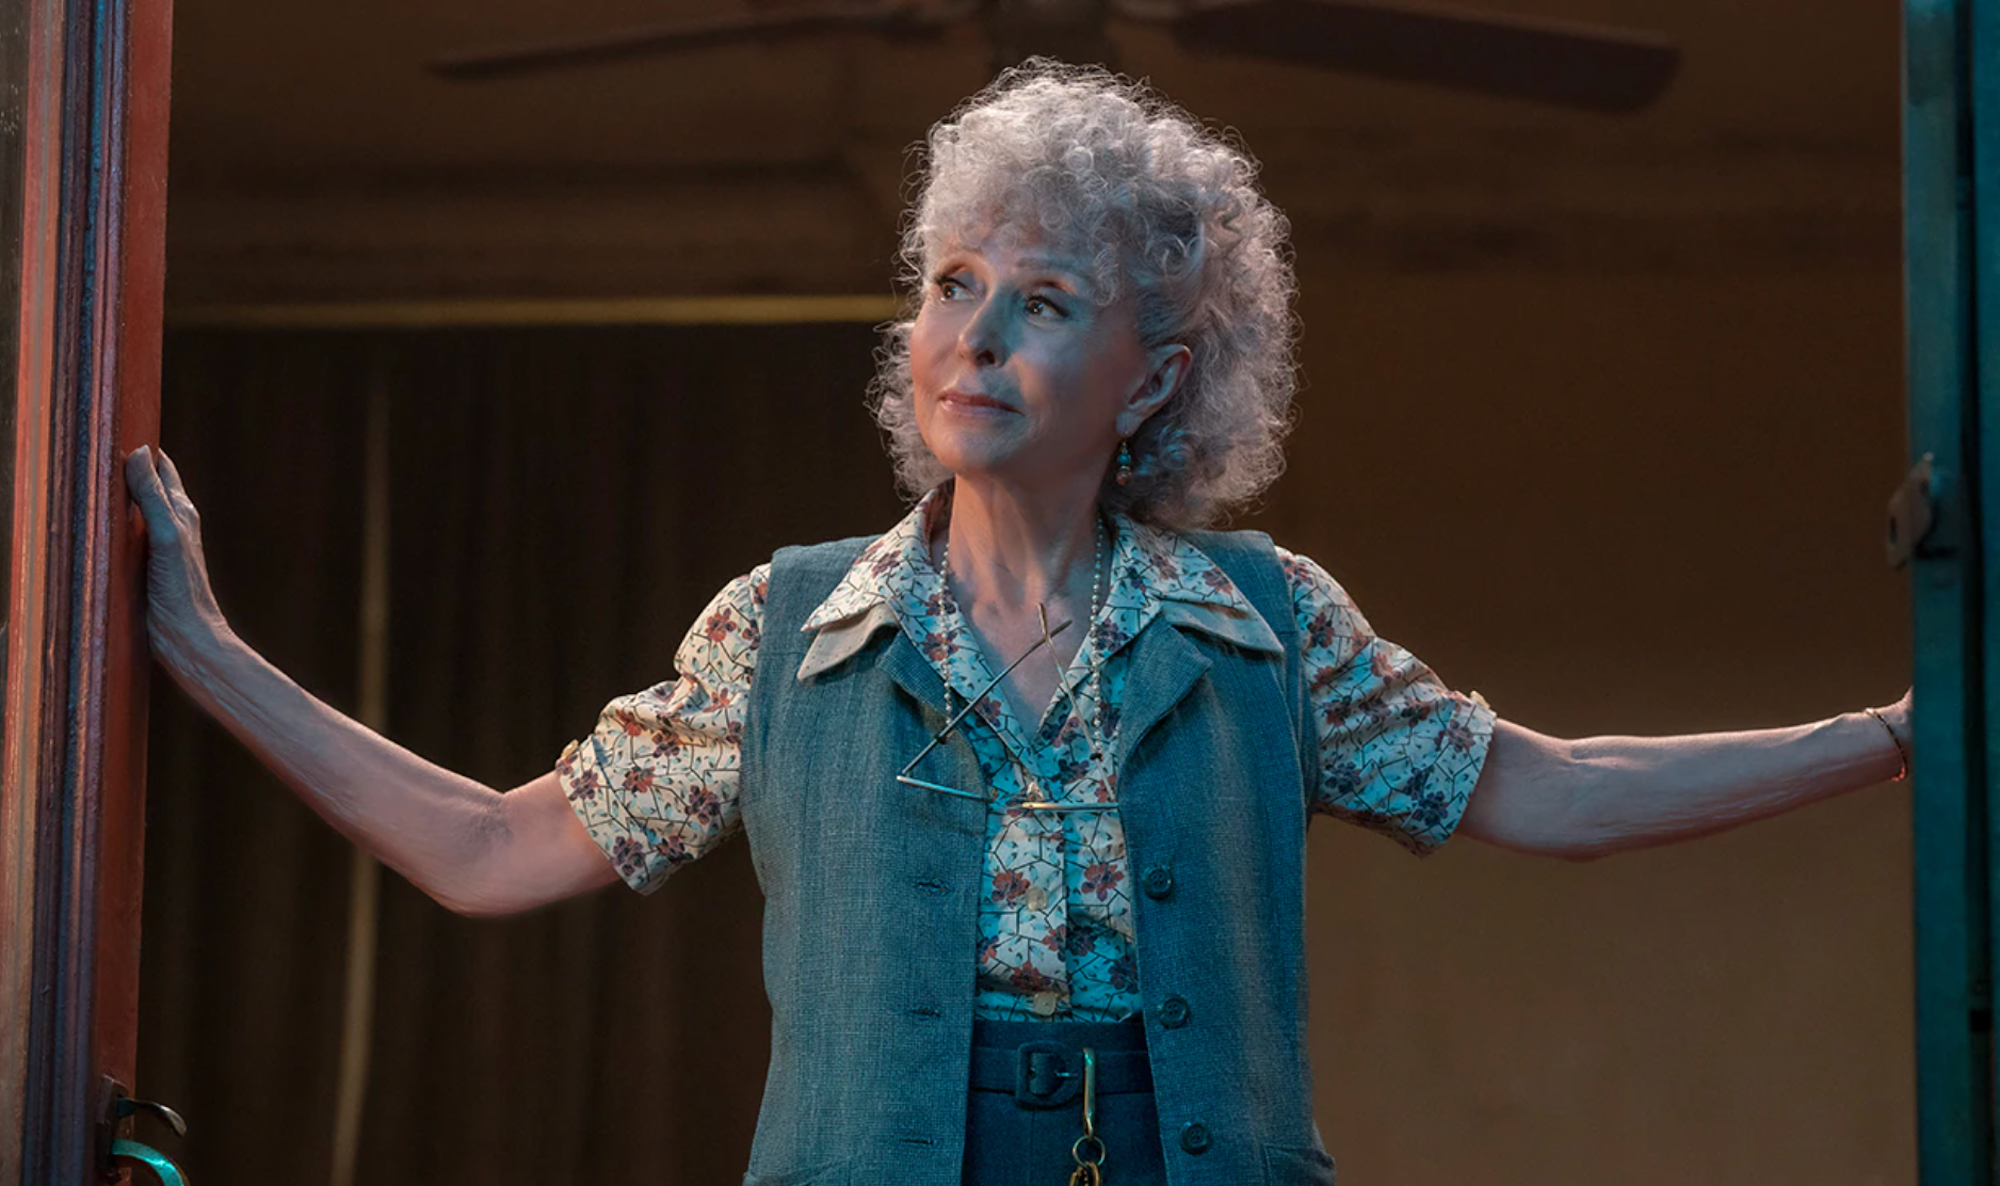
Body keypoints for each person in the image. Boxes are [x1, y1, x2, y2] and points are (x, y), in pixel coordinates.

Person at [125, 60, 1912, 1186]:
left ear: (1157, 375)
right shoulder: (795, 625)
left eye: (1042, 300)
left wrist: (1908, 735)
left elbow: (1553, 785)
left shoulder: (1264, 629)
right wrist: (205, 655)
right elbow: (494, 848)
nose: (974, 334)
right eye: (950, 286)